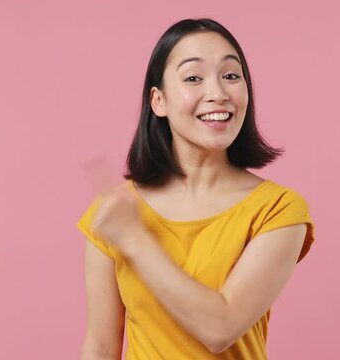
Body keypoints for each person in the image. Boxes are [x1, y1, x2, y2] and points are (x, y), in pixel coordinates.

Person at [77, 17, 315, 360]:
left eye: (231, 76)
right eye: (193, 78)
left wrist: (134, 240)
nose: (218, 93)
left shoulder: (278, 209)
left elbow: (221, 328)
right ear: (158, 101)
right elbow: (100, 348)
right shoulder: (117, 212)